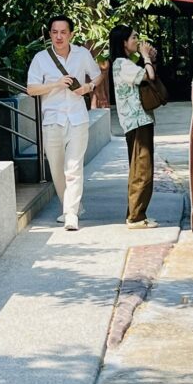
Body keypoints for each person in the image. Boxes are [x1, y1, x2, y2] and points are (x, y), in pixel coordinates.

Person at [26, 15, 102, 231]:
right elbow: (31, 89)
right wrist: (56, 84)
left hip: (77, 118)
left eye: (63, 32)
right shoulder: (41, 58)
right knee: (57, 169)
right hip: (52, 120)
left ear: (71, 34)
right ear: (49, 34)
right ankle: (71, 206)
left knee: (73, 167)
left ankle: (70, 214)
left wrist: (87, 88)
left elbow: (97, 76)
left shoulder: (82, 54)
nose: (58, 37)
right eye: (54, 32)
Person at [108, 24, 158, 229]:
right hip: (137, 121)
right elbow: (149, 76)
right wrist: (146, 57)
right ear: (124, 42)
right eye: (134, 37)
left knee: (140, 168)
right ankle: (136, 217)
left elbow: (146, 72)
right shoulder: (122, 64)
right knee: (141, 169)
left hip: (138, 121)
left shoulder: (125, 63)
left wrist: (148, 59)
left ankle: (135, 214)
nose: (137, 41)